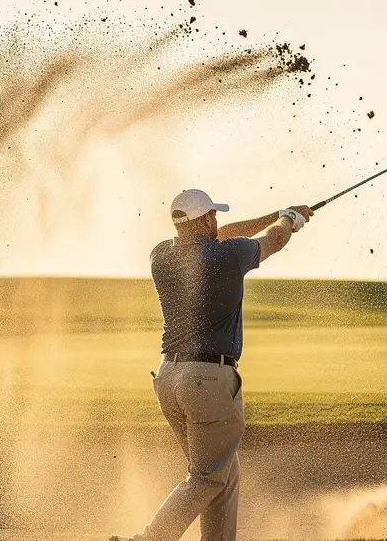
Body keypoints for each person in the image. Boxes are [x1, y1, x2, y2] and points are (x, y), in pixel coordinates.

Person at [111, 189, 312, 541]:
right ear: (205, 219)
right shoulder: (229, 256)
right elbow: (274, 241)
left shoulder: (161, 254)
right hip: (208, 381)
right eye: (213, 216)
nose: (217, 221)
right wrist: (288, 221)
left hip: (169, 379)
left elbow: (223, 235)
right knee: (205, 478)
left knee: (222, 473)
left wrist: (277, 212)